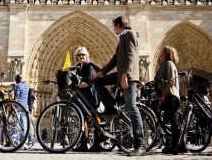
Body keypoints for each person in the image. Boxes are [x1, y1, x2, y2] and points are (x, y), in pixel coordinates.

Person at [91, 16, 145, 156]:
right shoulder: (122, 38)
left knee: (131, 106)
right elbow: (114, 60)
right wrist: (100, 73)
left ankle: (140, 144)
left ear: (119, 25)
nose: (113, 29)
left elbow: (132, 55)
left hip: (128, 76)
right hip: (121, 74)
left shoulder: (130, 33)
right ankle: (110, 106)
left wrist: (125, 75)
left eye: (114, 26)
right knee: (98, 82)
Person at [72, 46, 102, 152]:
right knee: (82, 119)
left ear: (87, 55)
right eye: (79, 55)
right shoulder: (78, 68)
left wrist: (79, 86)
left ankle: (97, 143)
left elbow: (90, 81)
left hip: (91, 95)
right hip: (82, 96)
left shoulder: (89, 66)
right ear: (76, 57)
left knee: (94, 118)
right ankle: (83, 143)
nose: (81, 57)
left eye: (83, 54)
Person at [154, 46, 182, 155]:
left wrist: (163, 95)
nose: (160, 53)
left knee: (174, 122)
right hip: (166, 96)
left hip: (170, 96)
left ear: (167, 53)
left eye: (162, 51)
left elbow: (171, 80)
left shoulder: (169, 63)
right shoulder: (164, 64)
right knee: (166, 122)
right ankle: (170, 145)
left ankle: (176, 146)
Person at [13, 74, 29, 147]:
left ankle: (17, 141)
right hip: (25, 106)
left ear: (17, 79)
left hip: (18, 106)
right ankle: (24, 142)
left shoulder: (18, 85)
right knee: (24, 125)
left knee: (17, 124)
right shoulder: (27, 86)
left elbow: (16, 96)